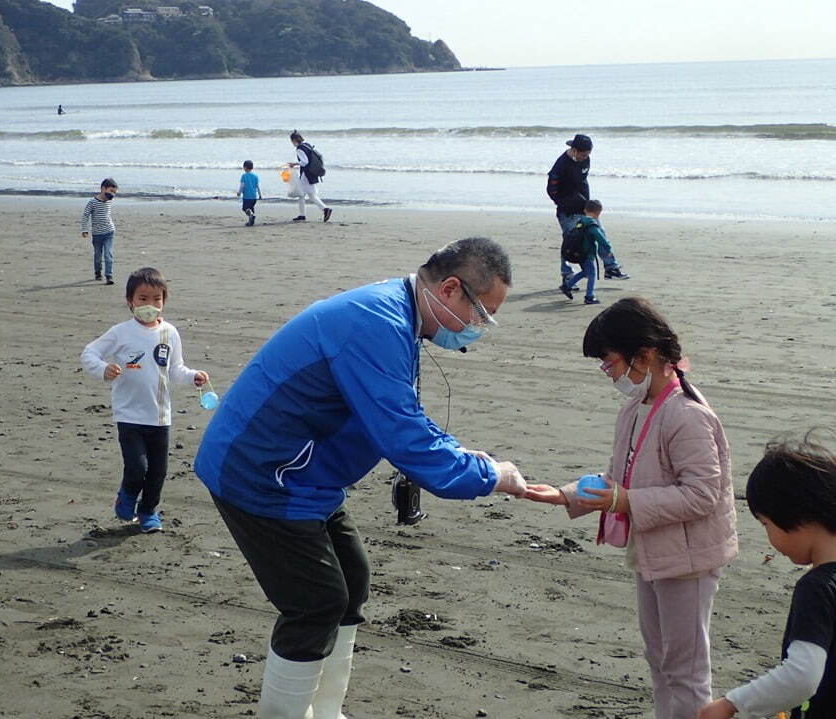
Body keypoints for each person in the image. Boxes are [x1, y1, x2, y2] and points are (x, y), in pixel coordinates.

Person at [194, 237, 529, 718]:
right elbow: (404, 438)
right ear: (451, 289)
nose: (476, 328)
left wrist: (458, 452)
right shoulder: (377, 323)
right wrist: (489, 474)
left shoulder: (400, 314)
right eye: (480, 315)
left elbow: (405, 414)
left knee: (352, 581)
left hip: (307, 477)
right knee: (317, 604)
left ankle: (326, 712)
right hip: (260, 474)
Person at [524, 297, 737, 719]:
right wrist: (566, 495)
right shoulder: (636, 408)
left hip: (688, 560)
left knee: (686, 670)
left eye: (611, 363)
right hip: (653, 552)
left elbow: (702, 494)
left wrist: (624, 501)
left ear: (647, 355)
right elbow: (617, 479)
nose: (611, 374)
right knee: (660, 660)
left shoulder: (687, 414)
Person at [698, 431, 836, 719]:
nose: (769, 537)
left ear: (795, 516)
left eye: (766, 524)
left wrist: (731, 703)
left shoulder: (817, 588)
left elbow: (802, 676)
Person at [80, 267, 209, 534]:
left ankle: (149, 512)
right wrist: (103, 369)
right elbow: (90, 353)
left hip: (160, 415)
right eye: (143, 298)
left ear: (163, 301)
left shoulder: (170, 333)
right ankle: (126, 496)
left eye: (156, 299)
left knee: (158, 472)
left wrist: (194, 376)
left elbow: (175, 369)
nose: (150, 305)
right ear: (130, 301)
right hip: (129, 415)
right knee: (138, 467)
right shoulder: (121, 332)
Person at [546, 134, 628, 284]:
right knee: (570, 242)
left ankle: (611, 267)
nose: (586, 157)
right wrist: (565, 203)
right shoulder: (561, 165)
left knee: (600, 234)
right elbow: (551, 190)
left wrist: (587, 203)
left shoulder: (586, 160)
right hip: (567, 212)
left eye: (588, 154)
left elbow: (583, 182)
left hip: (585, 207)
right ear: (575, 150)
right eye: (583, 154)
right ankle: (567, 273)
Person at [558, 199, 616, 305]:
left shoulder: (579, 222)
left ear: (585, 210)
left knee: (586, 271)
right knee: (592, 274)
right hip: (587, 254)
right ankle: (589, 296)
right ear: (599, 213)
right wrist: (608, 250)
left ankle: (567, 286)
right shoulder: (592, 225)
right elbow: (601, 238)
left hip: (578, 252)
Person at [80, 178, 119, 285]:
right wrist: (84, 229)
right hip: (97, 234)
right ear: (103, 189)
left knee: (108, 254)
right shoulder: (92, 202)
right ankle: (98, 272)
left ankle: (109, 276)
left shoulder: (110, 200)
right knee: (98, 255)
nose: (113, 194)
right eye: (111, 191)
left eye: (114, 192)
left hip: (109, 232)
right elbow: (85, 215)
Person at [288, 131, 331, 223]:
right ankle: (303, 214)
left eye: (292, 141)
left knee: (303, 194)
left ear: (294, 140)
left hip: (306, 174)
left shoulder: (299, 149)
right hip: (312, 173)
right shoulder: (307, 145)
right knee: (309, 195)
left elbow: (304, 162)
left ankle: (324, 209)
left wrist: (295, 163)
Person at [238, 160, 261, 226]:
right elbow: (257, 186)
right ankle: (250, 221)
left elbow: (242, 185)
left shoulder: (244, 176)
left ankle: (251, 215)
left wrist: (239, 192)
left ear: (245, 167)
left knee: (245, 208)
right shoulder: (255, 176)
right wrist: (260, 195)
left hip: (247, 196)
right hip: (254, 197)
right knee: (251, 208)